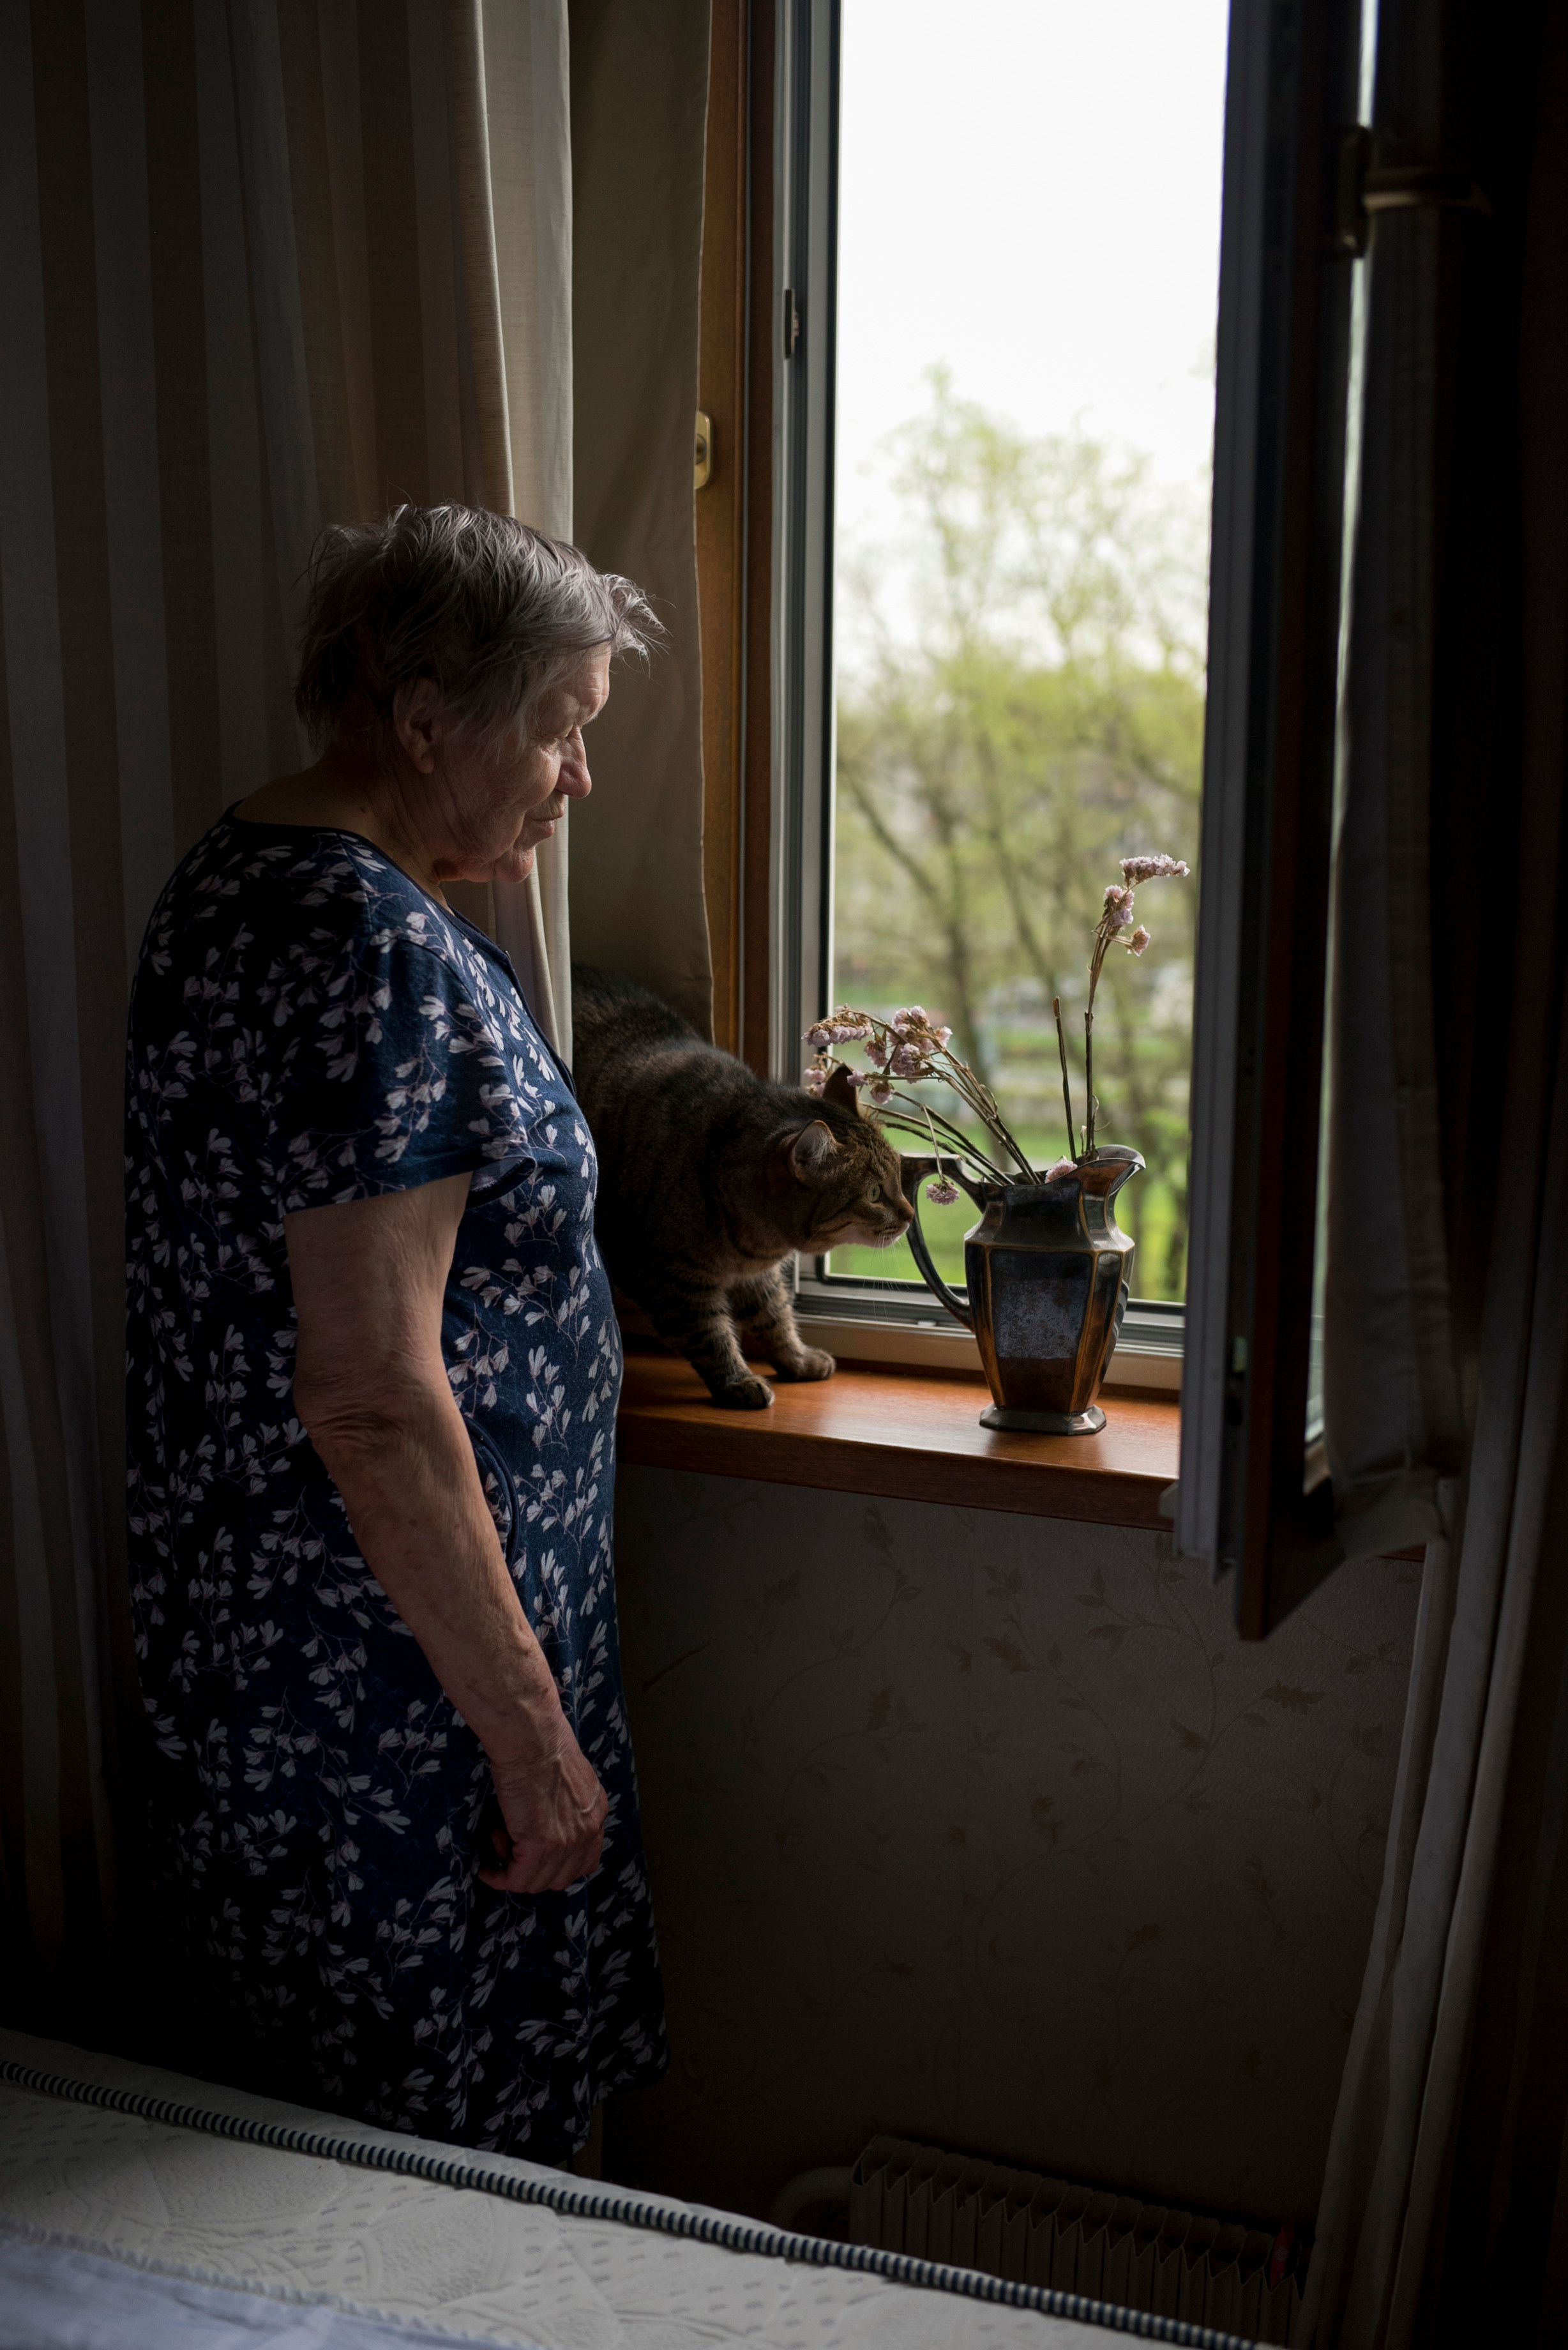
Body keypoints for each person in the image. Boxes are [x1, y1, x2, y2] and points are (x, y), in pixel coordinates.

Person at [124, 505, 667, 2160]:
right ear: (426, 717)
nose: (579, 777)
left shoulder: (249, 881)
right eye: (563, 727)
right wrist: (534, 1749)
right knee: (437, 2202)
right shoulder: (362, 945)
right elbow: (369, 1400)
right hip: (393, 1713)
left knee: (336, 2199)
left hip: (317, 1680)